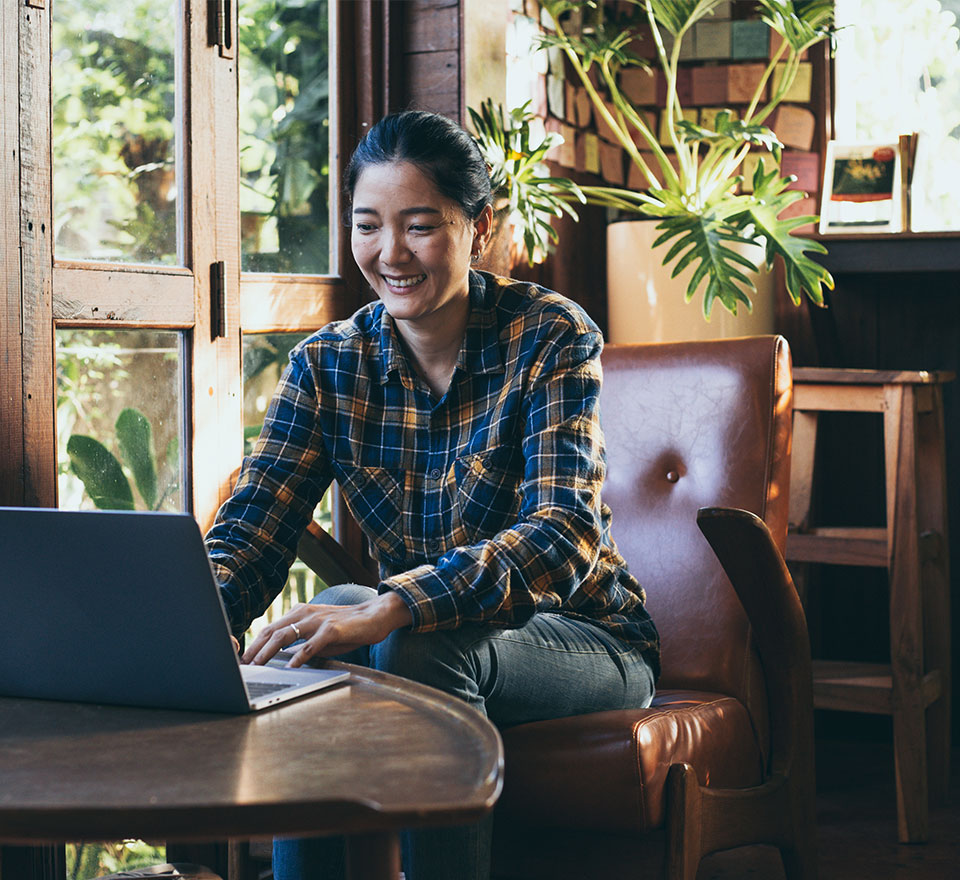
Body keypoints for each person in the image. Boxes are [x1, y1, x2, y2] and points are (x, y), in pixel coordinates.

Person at [204, 109, 660, 880]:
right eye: (368, 226)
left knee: (411, 634)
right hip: (423, 629)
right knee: (308, 638)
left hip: (586, 638)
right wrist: (189, 626)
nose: (391, 254)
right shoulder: (327, 366)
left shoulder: (549, 335)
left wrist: (398, 602)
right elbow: (253, 527)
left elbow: (561, 532)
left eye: (419, 226)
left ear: (478, 228)